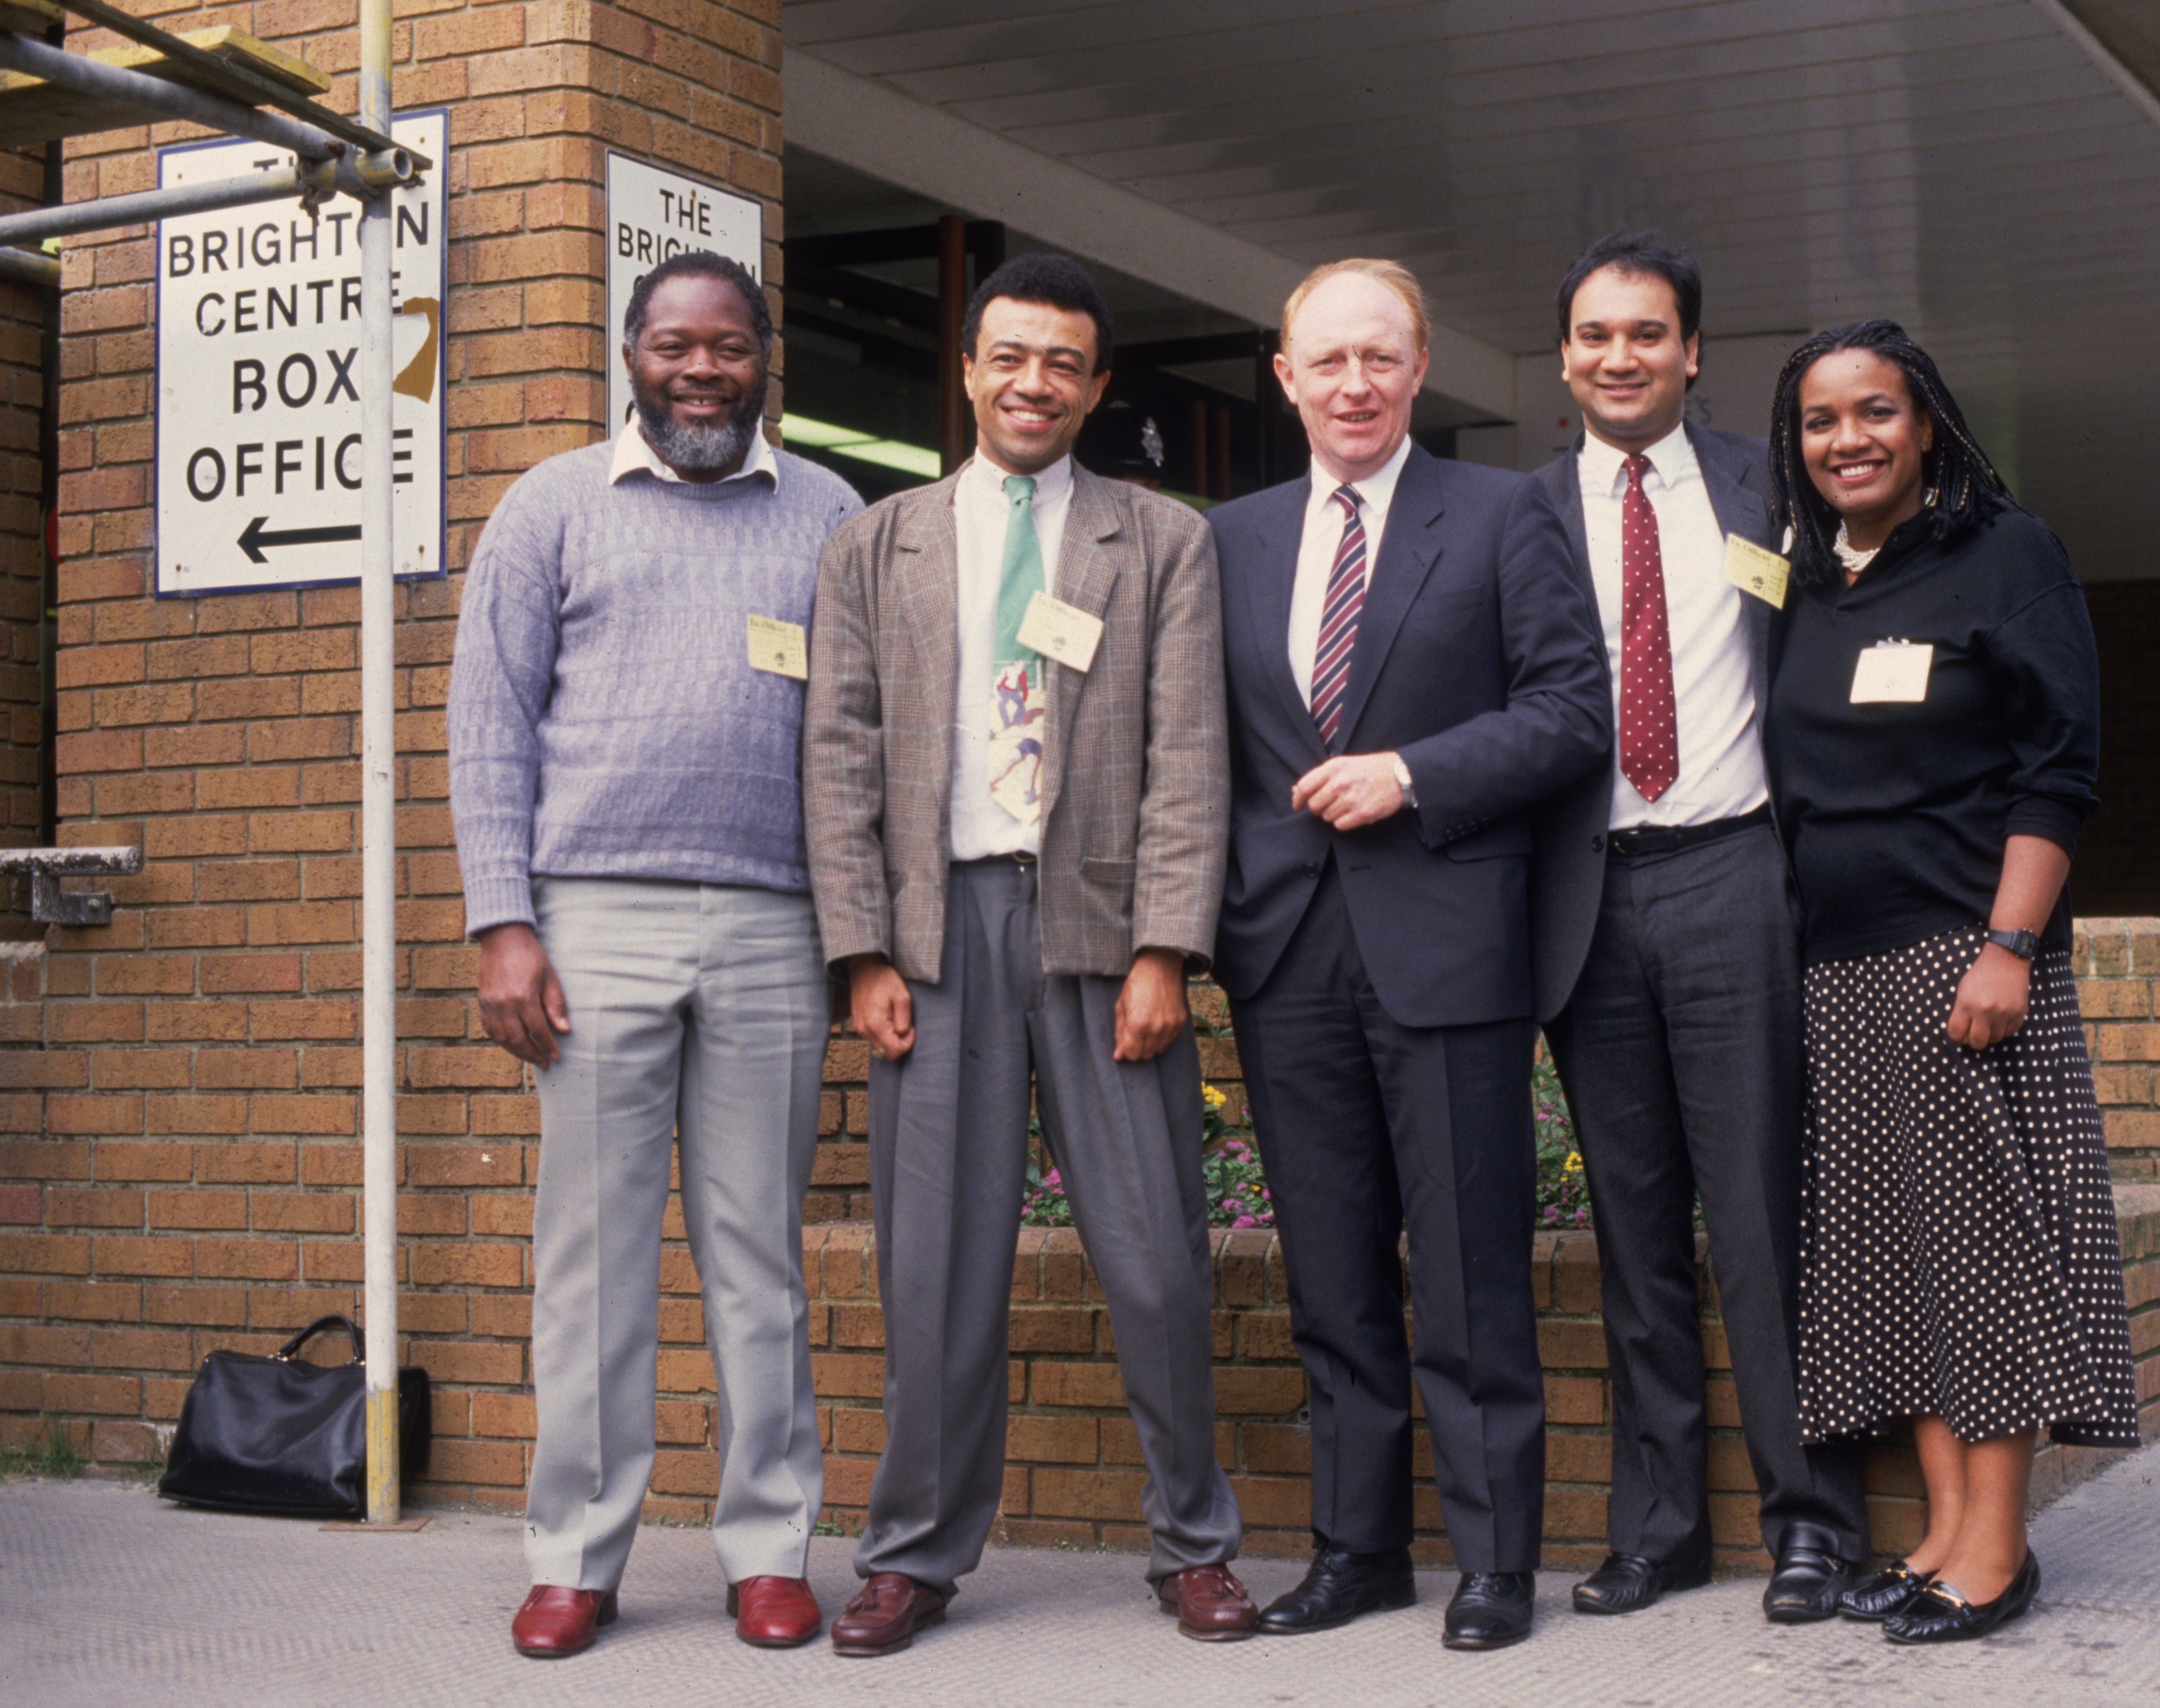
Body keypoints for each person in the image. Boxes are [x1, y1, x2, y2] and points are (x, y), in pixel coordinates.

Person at [802, 254, 1255, 1655]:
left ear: (1097, 383)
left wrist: (1166, 947)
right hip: (935, 935)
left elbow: (1190, 755)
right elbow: (839, 756)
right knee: (932, 1266)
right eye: (1009, 355)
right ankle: (916, 1552)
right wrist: (859, 950)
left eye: (1062, 362)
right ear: (967, 364)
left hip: (1100, 931)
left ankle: (1193, 1543)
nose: (1032, 382)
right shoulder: (879, 543)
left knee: (1157, 1261)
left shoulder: (1159, 539)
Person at [449, 251, 865, 1660]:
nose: (702, 369)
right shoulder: (551, 506)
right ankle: (574, 1553)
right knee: (595, 1256)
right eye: (675, 344)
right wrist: (503, 918)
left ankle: (768, 1547)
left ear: (765, 361)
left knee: (758, 1257)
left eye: (729, 347)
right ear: (630, 354)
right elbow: (488, 723)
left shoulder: (829, 511)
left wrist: (855, 932)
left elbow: (860, 735)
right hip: (590, 922)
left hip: (772, 922)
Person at [1211, 258, 1611, 1653]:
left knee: (1468, 1265)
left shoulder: (1503, 514)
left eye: (1378, 358)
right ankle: (1356, 1548)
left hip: (1446, 944)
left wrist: (1410, 772)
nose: (1354, 385)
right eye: (1326, 362)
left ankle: (1495, 1557)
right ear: (1286, 376)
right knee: (1327, 1275)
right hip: (1285, 954)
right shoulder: (1234, 539)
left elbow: (1572, 711)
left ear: (1420, 363)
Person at [1760, 320, 2139, 1644]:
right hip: (1837, 973)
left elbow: (2056, 765)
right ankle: (1936, 1532)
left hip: (1956, 965)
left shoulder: (2006, 554)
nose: (1846, 439)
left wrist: (2007, 948)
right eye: (1818, 420)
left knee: (1976, 1263)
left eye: (1873, 412)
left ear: (1924, 423)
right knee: (1896, 1266)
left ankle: (1998, 1550)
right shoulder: (1810, 588)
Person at [1528, 231, 1868, 1624]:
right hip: (1584, 894)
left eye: (1648, 334)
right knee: (1633, 1228)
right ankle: (1660, 1525)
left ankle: (1812, 1523)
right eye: (1597, 335)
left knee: (1762, 1215)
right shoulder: (1519, 511)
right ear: (1564, 358)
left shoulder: (1765, 484)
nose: (1622, 356)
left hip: (1736, 875)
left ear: (1690, 354)